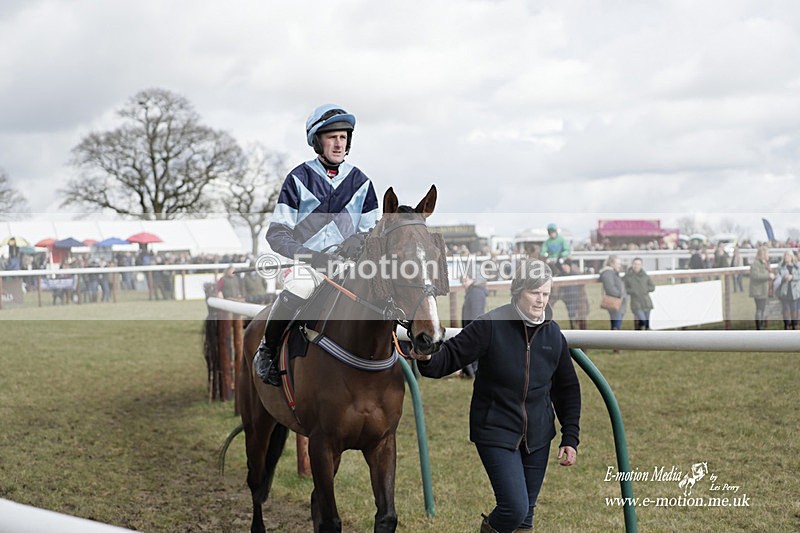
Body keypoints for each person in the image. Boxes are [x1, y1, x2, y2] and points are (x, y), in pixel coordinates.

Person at [410, 259, 581, 533]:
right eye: (534, 292)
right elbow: (450, 357)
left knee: (526, 516)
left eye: (545, 293)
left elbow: (567, 388)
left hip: (538, 434)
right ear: (518, 291)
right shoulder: (490, 325)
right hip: (495, 429)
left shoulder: (553, 334)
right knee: (514, 508)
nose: (540, 300)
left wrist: (570, 436)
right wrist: (428, 358)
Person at [254, 104, 379, 386]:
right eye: (331, 137)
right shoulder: (299, 178)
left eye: (343, 137)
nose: (338, 143)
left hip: (347, 267)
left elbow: (372, 232)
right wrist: (310, 257)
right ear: (317, 141)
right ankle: (268, 350)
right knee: (299, 287)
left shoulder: (362, 183)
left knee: (380, 292)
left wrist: (357, 242)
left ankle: (398, 351)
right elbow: (277, 233)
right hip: (307, 267)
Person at [459, 273, 488, 378]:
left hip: (473, 327)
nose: (463, 284)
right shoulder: (473, 291)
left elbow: (476, 313)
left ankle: (473, 374)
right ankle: (470, 373)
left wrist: (472, 329)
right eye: (462, 281)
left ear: (473, 279)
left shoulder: (475, 292)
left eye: (465, 281)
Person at [624, 257, 655, 330]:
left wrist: (645, 290)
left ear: (641, 265)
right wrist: (633, 291)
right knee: (643, 320)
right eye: (635, 264)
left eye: (638, 264)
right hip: (636, 302)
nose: (636, 266)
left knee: (646, 324)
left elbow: (652, 286)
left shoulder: (645, 276)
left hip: (646, 301)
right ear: (632, 265)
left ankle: (646, 338)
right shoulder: (628, 276)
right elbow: (624, 288)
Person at [557, 259, 589, 329]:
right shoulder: (561, 275)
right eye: (563, 265)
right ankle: (573, 328)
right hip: (568, 299)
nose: (563, 266)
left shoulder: (575, 274)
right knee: (571, 315)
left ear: (569, 266)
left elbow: (582, 285)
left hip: (577, 298)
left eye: (565, 265)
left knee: (580, 315)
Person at [749, 245, 774, 330]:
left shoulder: (764, 263)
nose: (768, 255)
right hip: (758, 291)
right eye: (767, 253)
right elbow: (755, 276)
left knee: (762, 309)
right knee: (759, 309)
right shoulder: (756, 263)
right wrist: (768, 275)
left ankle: (761, 325)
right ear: (763, 254)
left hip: (763, 290)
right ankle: (759, 327)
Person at [599, 255, 627, 330]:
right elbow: (610, 288)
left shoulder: (613, 272)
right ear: (612, 264)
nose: (619, 265)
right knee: (616, 325)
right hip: (615, 301)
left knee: (617, 323)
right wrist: (619, 295)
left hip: (618, 302)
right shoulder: (608, 273)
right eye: (618, 263)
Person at [775, 250, 800, 329]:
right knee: (785, 310)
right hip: (785, 291)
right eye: (785, 256)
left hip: (794, 292)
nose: (787, 258)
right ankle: (786, 325)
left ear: (792, 257)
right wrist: (783, 278)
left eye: (788, 256)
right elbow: (777, 277)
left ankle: (794, 325)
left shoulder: (797, 266)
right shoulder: (780, 266)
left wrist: (792, 277)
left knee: (794, 310)